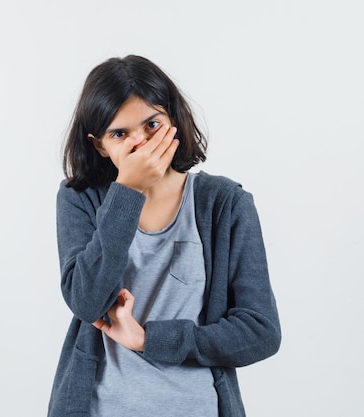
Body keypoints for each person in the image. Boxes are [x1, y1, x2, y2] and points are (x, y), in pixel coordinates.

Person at [47, 55, 281, 417]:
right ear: (99, 145)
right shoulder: (80, 198)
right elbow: (86, 301)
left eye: (152, 124)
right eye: (120, 134)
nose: (140, 143)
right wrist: (128, 191)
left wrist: (149, 340)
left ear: (173, 119)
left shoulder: (225, 203)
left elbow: (260, 331)